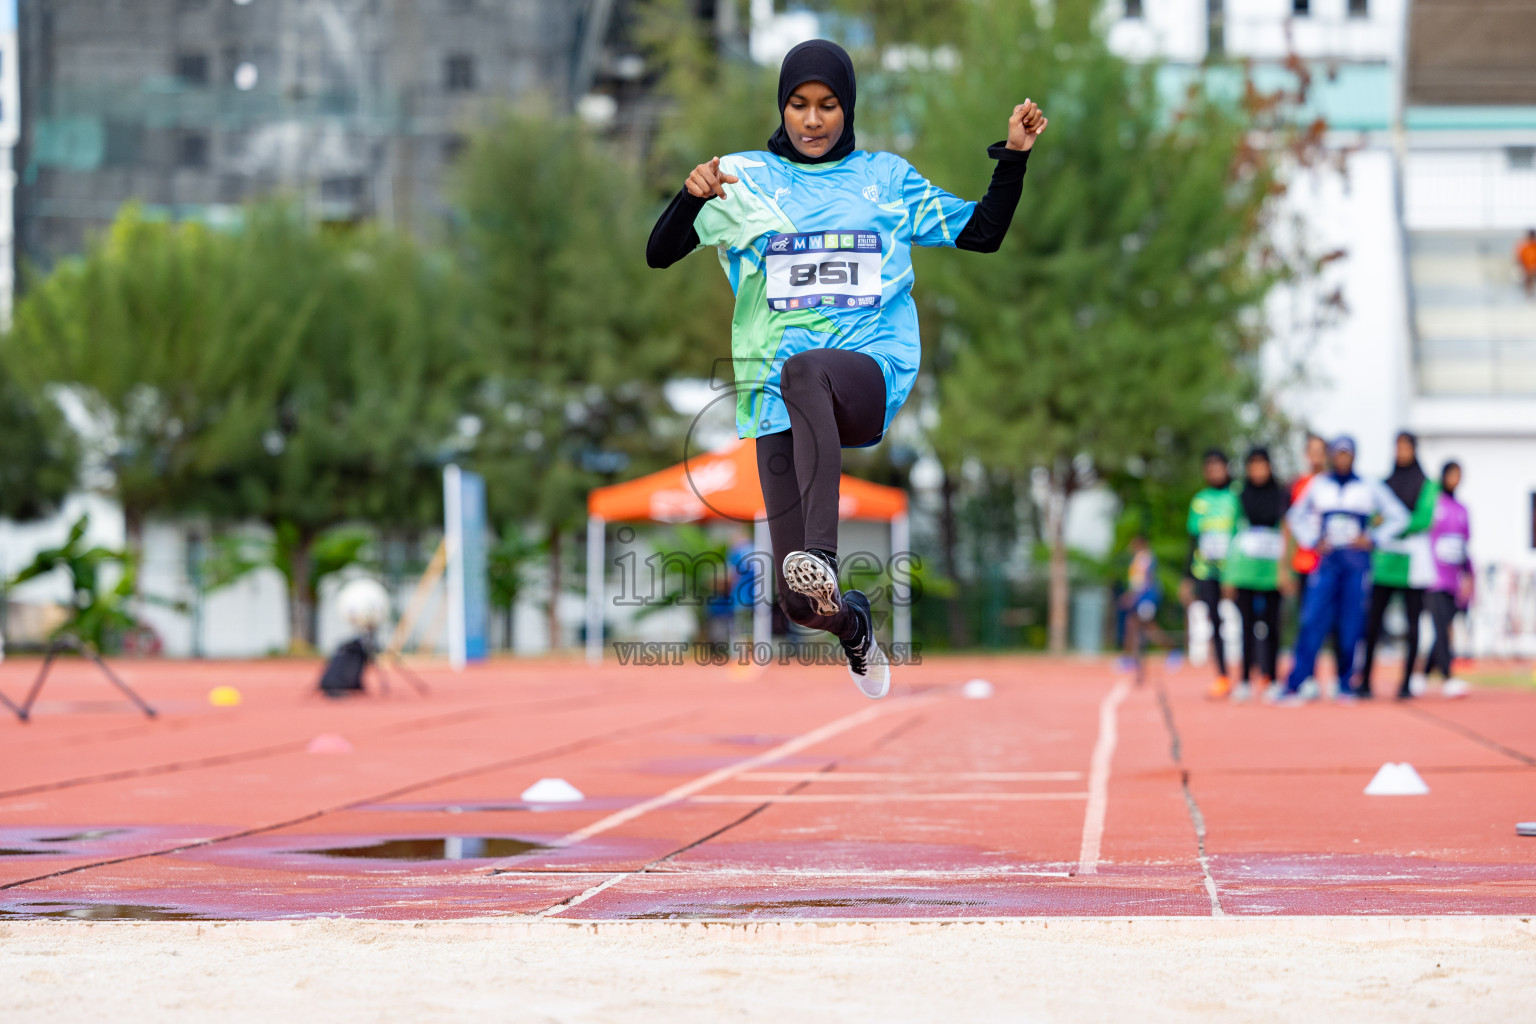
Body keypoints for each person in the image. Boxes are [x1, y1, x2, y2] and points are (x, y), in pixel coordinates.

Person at [646, 39, 1047, 698]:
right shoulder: (743, 178)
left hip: (866, 371)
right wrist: (689, 197)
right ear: (783, 107)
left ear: (847, 108)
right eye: (799, 105)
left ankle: (823, 558)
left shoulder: (884, 180)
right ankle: (852, 623)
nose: (812, 119)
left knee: (808, 370)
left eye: (827, 105)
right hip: (775, 400)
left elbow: (982, 231)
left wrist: (1015, 159)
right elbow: (661, 253)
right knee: (800, 605)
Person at [1279, 436, 1409, 703]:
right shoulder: (1319, 485)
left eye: (1346, 454)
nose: (1342, 458)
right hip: (1327, 564)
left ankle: (1345, 682)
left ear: (1354, 456)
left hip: (1356, 564)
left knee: (1351, 624)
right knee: (1311, 620)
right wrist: (1314, 541)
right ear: (1331, 456)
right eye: (1337, 453)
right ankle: (1296, 683)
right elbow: (1295, 516)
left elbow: (1400, 516)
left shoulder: (1369, 486)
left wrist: (1373, 538)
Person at [1358, 431, 1439, 699]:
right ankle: (1365, 680)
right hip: (1385, 562)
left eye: (1406, 447)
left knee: (1412, 623)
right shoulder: (1384, 484)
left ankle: (1405, 683)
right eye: (1398, 447)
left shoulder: (1427, 485)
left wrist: (1393, 525)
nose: (1401, 452)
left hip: (1412, 564)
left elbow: (1423, 519)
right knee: (1372, 623)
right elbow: (1374, 516)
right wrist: (1385, 526)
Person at [1222, 448, 1290, 701]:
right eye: (1253, 465)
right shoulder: (1239, 495)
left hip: (1272, 568)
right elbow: (1231, 532)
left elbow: (1287, 529)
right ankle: (1244, 681)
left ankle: (1271, 678)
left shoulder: (1281, 493)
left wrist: (1285, 572)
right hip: (1245, 568)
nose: (1258, 470)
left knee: (1273, 626)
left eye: (1263, 465)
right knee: (1247, 626)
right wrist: (1228, 576)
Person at [1181, 450, 1240, 698]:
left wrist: (1235, 573)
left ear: (1227, 467)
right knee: (1214, 621)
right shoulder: (1199, 501)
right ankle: (1223, 676)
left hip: (1236, 571)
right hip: (1206, 571)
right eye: (1210, 467)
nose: (1215, 471)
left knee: (1250, 619)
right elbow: (1193, 540)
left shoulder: (1237, 497)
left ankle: (1258, 675)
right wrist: (1187, 578)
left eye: (1219, 466)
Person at [1423, 461, 1473, 698]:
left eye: (1458, 475)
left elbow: (1464, 547)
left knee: (1443, 628)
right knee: (1442, 627)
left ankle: (1421, 675)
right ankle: (1448, 677)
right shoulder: (1432, 505)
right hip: (1433, 578)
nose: (1455, 479)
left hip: (1454, 581)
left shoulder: (1462, 509)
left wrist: (1469, 575)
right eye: (1451, 474)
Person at [1518, 229, 1536, 298]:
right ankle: (1529, 296)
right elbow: (1520, 259)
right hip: (1527, 270)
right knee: (1527, 277)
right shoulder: (1524, 247)